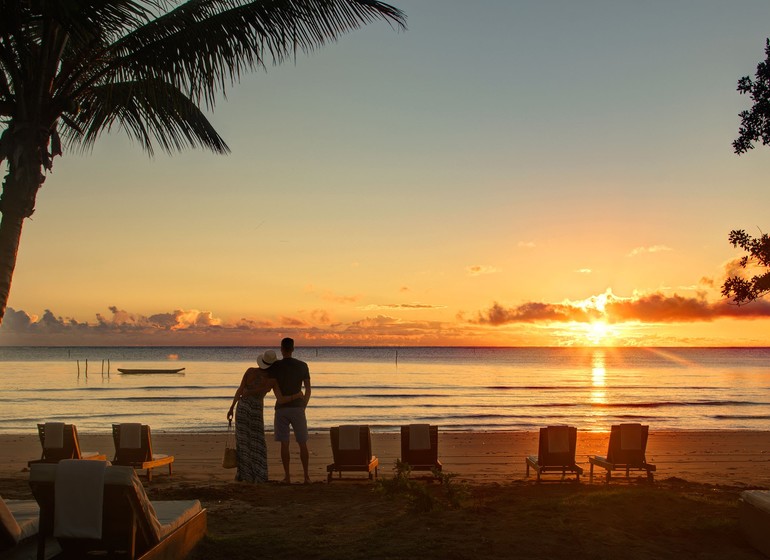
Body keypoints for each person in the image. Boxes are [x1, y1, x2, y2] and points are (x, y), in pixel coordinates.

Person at [226, 349, 301, 483]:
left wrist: (232, 407)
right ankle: (258, 474)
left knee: (243, 442)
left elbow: (240, 390)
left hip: (242, 407)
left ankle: (245, 475)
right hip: (255, 410)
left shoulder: (250, 371)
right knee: (257, 442)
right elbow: (281, 399)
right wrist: (297, 395)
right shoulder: (272, 380)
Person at [268, 337, 312, 484]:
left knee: (284, 444)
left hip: (281, 409)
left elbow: (273, 386)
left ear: (281, 349)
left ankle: (287, 476)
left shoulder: (276, 366)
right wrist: (303, 406)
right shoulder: (302, 365)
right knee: (302, 443)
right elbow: (308, 390)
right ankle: (306, 476)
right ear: (293, 349)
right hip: (298, 408)